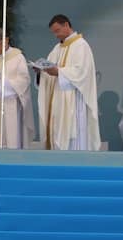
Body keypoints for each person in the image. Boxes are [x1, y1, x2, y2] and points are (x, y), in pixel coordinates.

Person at [35, 14, 101, 151]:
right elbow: (50, 70)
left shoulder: (81, 46)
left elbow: (82, 73)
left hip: (74, 100)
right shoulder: (57, 48)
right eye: (54, 32)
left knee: (73, 138)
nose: (56, 35)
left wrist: (59, 71)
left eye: (57, 30)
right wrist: (40, 72)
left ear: (66, 25)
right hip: (57, 101)